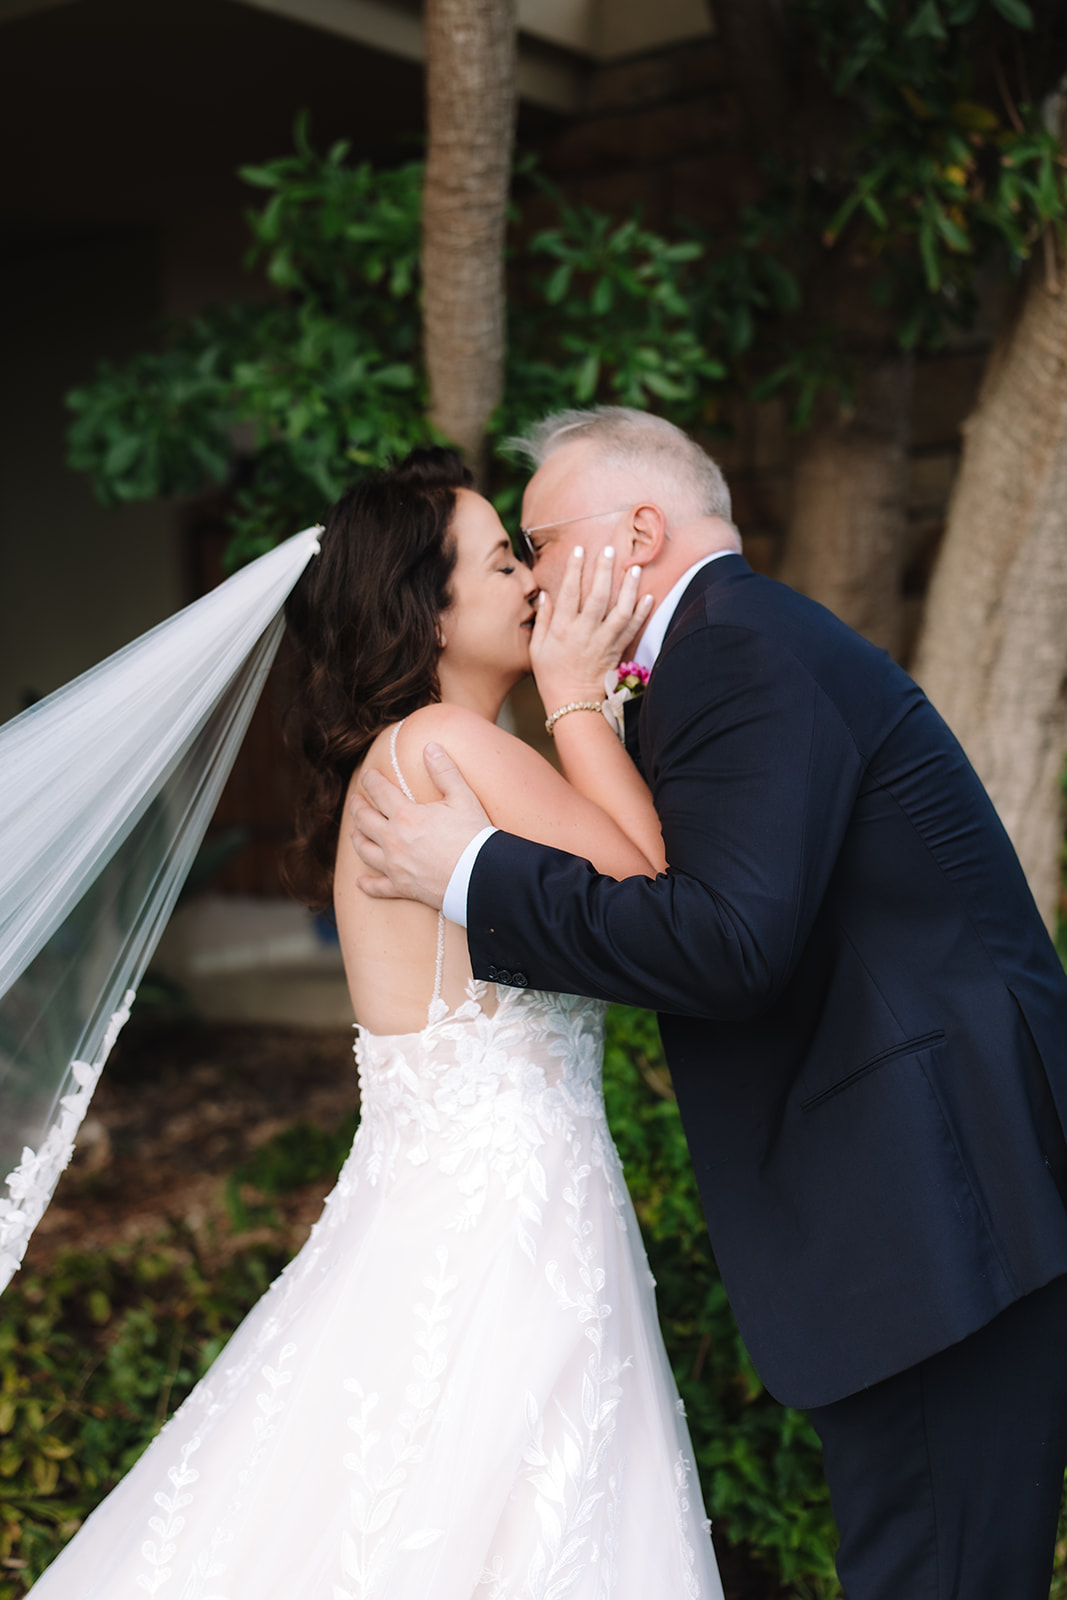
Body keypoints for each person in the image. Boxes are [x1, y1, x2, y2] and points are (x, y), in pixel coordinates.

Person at [352, 407, 1067, 1600]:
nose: (534, 579)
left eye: (539, 543)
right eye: (511, 557)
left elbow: (725, 943)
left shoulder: (735, 651)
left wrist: (469, 871)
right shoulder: (728, 645)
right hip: (927, 1206)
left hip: (936, 1211)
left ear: (638, 532)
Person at [25, 447, 724, 1600]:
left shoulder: (420, 757)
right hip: (500, 1208)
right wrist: (573, 692)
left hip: (476, 1191)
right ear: (429, 612)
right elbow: (653, 891)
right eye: (500, 563)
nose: (533, 582)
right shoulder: (445, 746)